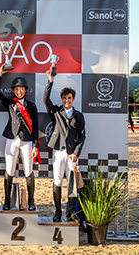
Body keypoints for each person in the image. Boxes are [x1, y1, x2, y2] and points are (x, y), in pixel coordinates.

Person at [43, 68, 86, 222]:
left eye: (69, 98)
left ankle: (71, 214)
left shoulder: (79, 115)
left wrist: (76, 153)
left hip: (72, 155)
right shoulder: (56, 112)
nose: (66, 101)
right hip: (58, 152)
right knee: (57, 182)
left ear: (73, 99)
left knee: (72, 184)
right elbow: (45, 100)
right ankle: (57, 212)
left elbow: (82, 136)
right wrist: (50, 81)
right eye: (64, 98)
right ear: (61, 99)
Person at [0, 65, 39, 211]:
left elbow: (36, 125)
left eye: (22, 89)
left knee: (28, 171)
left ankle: (31, 202)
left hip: (26, 140)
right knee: (10, 170)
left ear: (25, 90)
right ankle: (7, 201)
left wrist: (36, 145)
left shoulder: (32, 106)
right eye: (17, 89)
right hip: (11, 139)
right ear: (13, 91)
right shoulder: (10, 103)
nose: (19, 91)